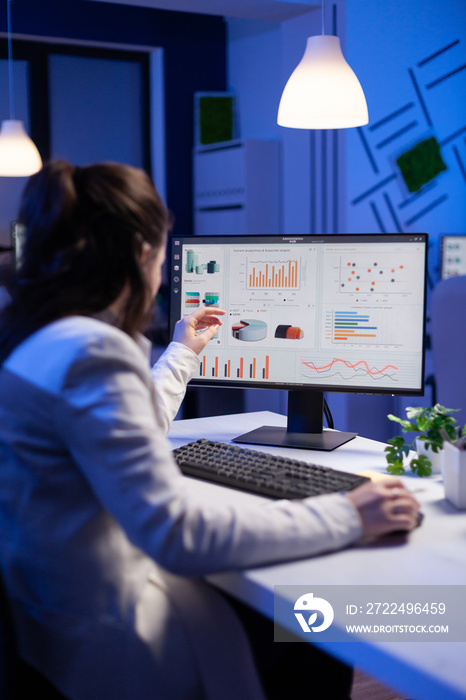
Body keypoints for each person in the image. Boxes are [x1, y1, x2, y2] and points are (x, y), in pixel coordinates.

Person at [0, 160, 420, 700]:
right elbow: (179, 536)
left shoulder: (38, 339)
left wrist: (182, 351)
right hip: (112, 642)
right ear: (140, 252)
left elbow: (119, 430)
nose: (159, 280)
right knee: (312, 626)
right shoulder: (91, 350)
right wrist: (347, 514)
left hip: (49, 624)